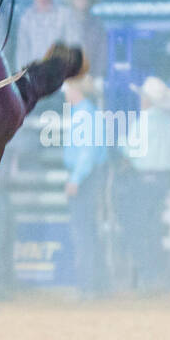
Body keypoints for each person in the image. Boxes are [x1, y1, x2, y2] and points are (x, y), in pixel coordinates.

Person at [119, 76, 170, 292]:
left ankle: (148, 276)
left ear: (148, 100)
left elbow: (129, 152)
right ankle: (157, 276)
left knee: (137, 229)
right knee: (153, 230)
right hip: (163, 180)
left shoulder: (143, 122)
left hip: (144, 180)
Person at [61, 74, 115, 298]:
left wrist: (75, 178)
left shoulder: (83, 114)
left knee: (83, 231)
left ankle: (87, 287)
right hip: (90, 176)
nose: (64, 92)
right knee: (88, 231)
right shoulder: (86, 112)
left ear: (75, 91)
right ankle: (96, 285)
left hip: (86, 178)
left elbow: (86, 151)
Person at [60, 0, 106, 94]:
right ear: (73, 0)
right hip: (69, 79)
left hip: (91, 78)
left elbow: (102, 52)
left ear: (90, 1)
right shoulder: (64, 23)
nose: (82, 0)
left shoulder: (98, 24)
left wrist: (98, 77)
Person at [15, 0, 67, 67]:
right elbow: (22, 50)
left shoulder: (64, 15)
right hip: (35, 74)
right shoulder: (26, 18)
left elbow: (71, 47)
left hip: (59, 72)